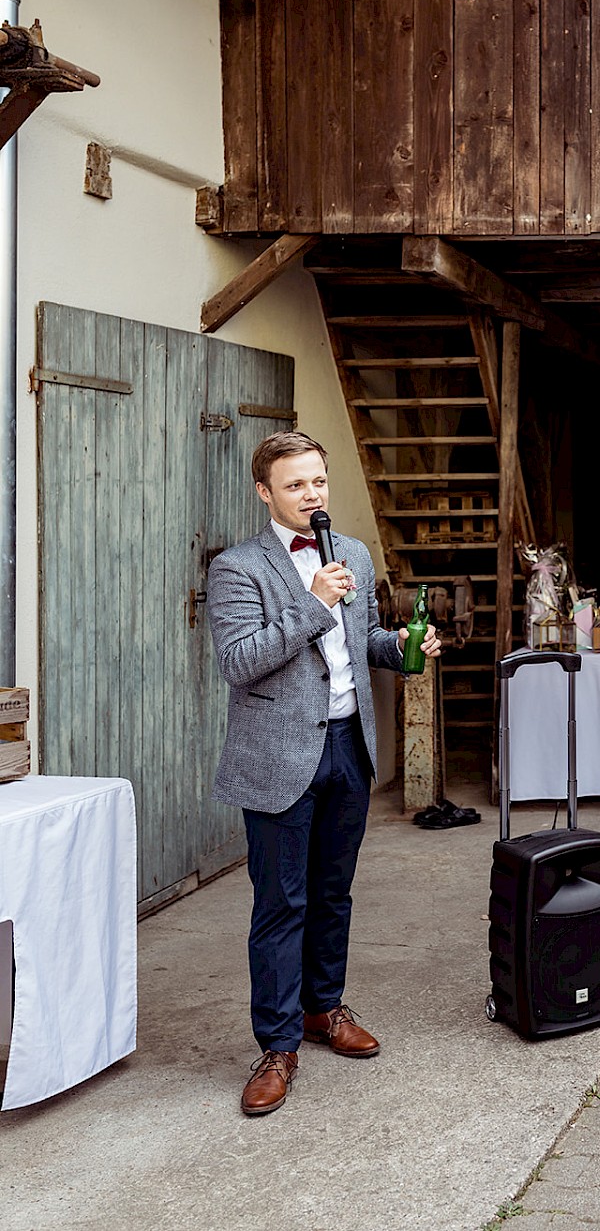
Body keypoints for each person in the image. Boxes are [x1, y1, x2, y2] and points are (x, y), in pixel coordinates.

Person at [207, 430, 441, 1116]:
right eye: (295, 485)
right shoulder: (236, 567)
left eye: (318, 481)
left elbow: (360, 639)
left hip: (348, 745)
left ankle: (324, 1010)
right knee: (282, 903)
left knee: (333, 893)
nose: (312, 495)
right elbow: (239, 662)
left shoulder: (355, 554)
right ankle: (277, 1047)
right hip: (278, 757)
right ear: (264, 492)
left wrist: (401, 647)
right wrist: (312, 602)